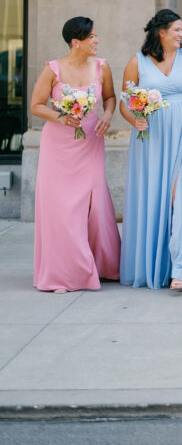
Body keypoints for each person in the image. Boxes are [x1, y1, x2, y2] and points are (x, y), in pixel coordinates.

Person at [119, 9, 182, 290]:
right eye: (177, 30)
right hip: (152, 139)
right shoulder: (137, 62)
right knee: (155, 201)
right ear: (161, 32)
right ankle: (159, 268)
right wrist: (134, 119)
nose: (181, 35)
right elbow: (126, 101)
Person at [31, 16, 120, 292]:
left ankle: (103, 265)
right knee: (62, 208)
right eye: (91, 37)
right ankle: (63, 274)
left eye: (95, 36)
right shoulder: (53, 69)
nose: (96, 41)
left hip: (91, 141)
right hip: (58, 145)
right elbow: (36, 105)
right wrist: (60, 116)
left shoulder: (102, 67)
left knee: (95, 205)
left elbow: (110, 97)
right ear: (76, 42)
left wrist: (107, 114)